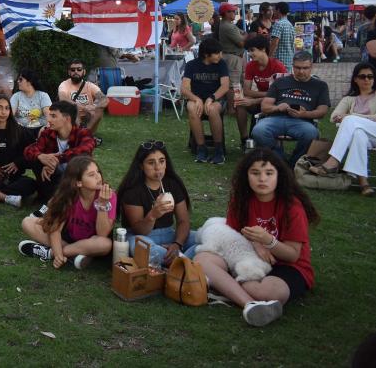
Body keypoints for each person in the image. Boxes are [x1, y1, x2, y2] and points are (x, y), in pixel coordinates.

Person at [195, 148, 318, 327]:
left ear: (279, 176)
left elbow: (292, 255)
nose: (262, 179)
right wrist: (255, 242)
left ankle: (232, 289)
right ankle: (249, 304)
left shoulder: (292, 207)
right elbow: (234, 229)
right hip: (249, 257)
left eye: (269, 173)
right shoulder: (242, 199)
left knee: (268, 292)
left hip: (287, 266)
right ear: (246, 176)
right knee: (202, 260)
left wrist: (269, 241)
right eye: (255, 173)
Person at [17, 155, 114, 270]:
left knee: (105, 244)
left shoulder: (109, 195)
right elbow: (55, 229)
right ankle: (77, 255)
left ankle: (49, 253)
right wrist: (59, 254)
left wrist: (102, 204)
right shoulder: (68, 196)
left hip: (91, 241)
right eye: (91, 175)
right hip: (66, 237)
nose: (98, 177)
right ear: (78, 183)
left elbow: (102, 234)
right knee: (27, 222)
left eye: (98, 172)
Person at [116, 140, 197, 268]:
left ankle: (176, 261)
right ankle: (186, 262)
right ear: (141, 166)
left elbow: (183, 221)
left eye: (161, 161)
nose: (158, 167)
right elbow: (139, 230)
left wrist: (177, 244)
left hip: (169, 234)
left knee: (203, 239)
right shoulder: (132, 191)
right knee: (148, 250)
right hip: (141, 236)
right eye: (151, 162)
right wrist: (153, 215)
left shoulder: (172, 184)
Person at [308, 62, 376, 196]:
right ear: (355, 79)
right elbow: (333, 117)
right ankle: (364, 184)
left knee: (351, 121)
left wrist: (351, 116)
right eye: (362, 76)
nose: (367, 79)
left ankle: (333, 162)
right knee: (358, 134)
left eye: (370, 76)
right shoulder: (349, 99)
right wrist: (347, 118)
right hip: (367, 137)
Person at [251, 51, 329, 166]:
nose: (301, 71)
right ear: (292, 66)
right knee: (258, 130)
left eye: (305, 68)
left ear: (311, 67)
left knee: (311, 133)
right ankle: (280, 160)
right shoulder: (280, 82)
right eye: (297, 68)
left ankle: (294, 163)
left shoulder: (320, 86)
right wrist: (277, 108)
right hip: (276, 118)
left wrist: (304, 114)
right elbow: (265, 106)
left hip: (302, 121)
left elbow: (323, 111)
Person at [23, 101, 96, 202]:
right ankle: (48, 196)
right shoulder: (48, 133)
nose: (48, 119)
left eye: (53, 116)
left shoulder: (83, 133)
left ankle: (65, 198)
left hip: (75, 180)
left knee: (79, 161)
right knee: (36, 160)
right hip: (53, 177)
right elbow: (29, 150)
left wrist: (56, 159)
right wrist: (41, 156)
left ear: (67, 119)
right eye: (49, 116)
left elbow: (85, 149)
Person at [181, 38, 229, 164]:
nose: (220, 55)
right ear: (207, 54)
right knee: (192, 108)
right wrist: (196, 99)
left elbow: (225, 86)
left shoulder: (221, 64)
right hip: (197, 99)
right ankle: (201, 148)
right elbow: (184, 89)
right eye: (217, 53)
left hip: (216, 99)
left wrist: (211, 98)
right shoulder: (191, 65)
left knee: (212, 109)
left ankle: (219, 150)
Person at [234, 35, 287, 148]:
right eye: (248, 51)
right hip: (264, 98)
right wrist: (267, 94)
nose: (250, 54)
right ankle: (245, 139)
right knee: (240, 104)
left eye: (252, 50)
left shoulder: (278, 66)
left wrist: (255, 101)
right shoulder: (251, 66)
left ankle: (260, 138)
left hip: (276, 103)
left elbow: (281, 95)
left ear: (263, 49)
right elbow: (247, 91)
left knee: (253, 102)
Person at [57, 59, 107, 137]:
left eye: (79, 69)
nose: (76, 72)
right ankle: (83, 135)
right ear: (69, 72)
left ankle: (84, 133)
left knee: (99, 109)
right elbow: (62, 98)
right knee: (74, 107)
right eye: (73, 70)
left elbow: (105, 99)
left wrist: (94, 106)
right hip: (71, 117)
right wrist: (84, 107)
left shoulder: (90, 85)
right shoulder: (64, 84)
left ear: (84, 72)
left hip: (88, 117)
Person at [217, 2, 245, 87]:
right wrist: (246, 37)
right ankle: (232, 101)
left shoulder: (229, 24)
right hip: (232, 57)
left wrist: (245, 36)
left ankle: (235, 100)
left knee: (236, 85)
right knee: (233, 86)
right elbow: (241, 43)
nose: (235, 13)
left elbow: (244, 34)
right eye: (232, 11)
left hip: (233, 56)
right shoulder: (228, 26)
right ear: (226, 13)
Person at [269, 2, 296, 72]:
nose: (273, 12)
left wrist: (269, 57)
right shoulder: (290, 25)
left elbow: (274, 43)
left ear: (278, 10)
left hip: (279, 61)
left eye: (274, 10)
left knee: (279, 82)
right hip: (289, 60)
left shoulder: (278, 24)